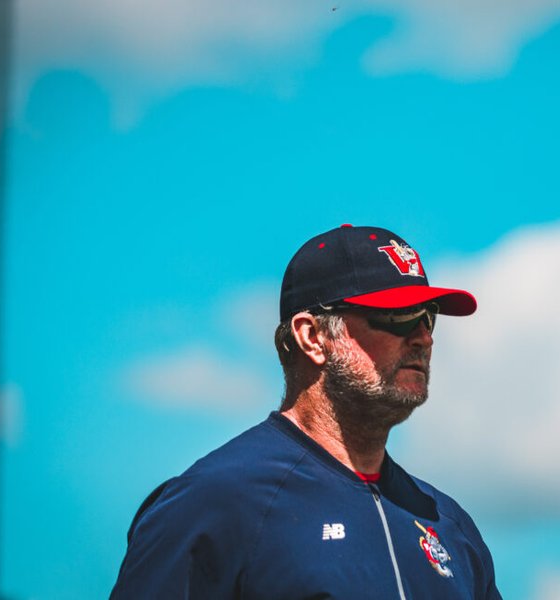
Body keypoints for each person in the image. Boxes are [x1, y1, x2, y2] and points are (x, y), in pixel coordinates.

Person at [110, 224, 502, 599]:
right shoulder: (215, 502)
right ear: (312, 337)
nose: (424, 337)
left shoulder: (449, 525)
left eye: (428, 316)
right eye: (398, 315)